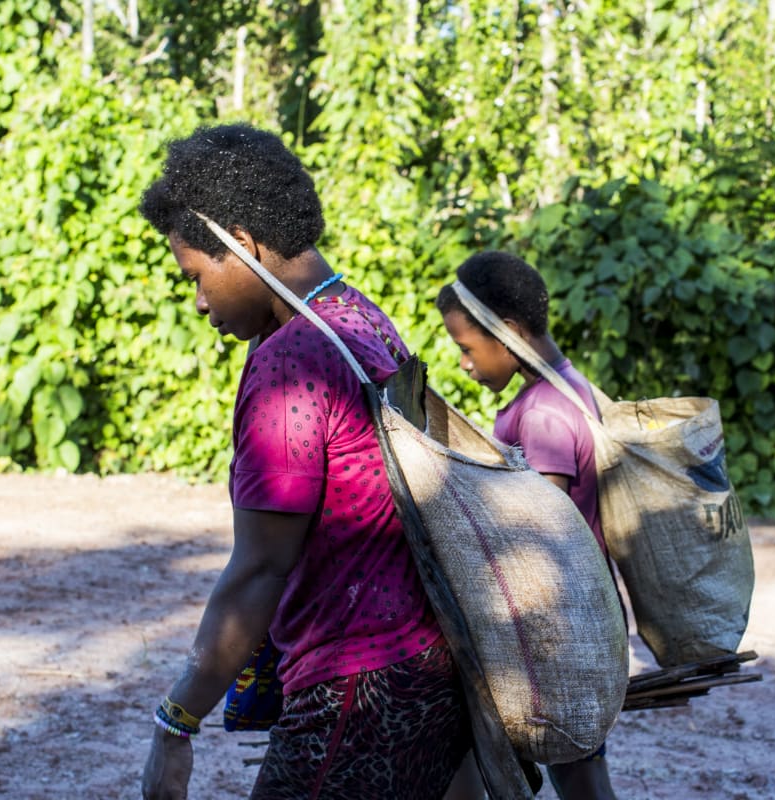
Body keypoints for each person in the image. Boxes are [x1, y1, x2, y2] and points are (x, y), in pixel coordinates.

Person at [137, 123, 470, 799]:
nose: (199, 302)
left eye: (197, 276)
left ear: (242, 243)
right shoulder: (363, 321)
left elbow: (260, 568)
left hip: (356, 690)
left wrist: (176, 722)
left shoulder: (290, 362)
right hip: (428, 671)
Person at [437, 251, 619, 800]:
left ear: (509, 332)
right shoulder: (571, 387)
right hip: (576, 624)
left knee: (577, 776)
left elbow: (536, 543)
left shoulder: (539, 415)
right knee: (582, 773)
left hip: (552, 638)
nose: (464, 364)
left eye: (466, 348)